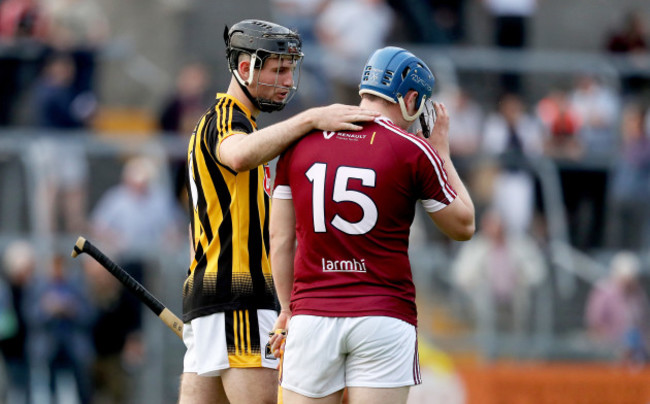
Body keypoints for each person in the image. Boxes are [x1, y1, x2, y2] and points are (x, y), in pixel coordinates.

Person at [179, 19, 380, 404]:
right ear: (244, 69)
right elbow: (237, 155)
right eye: (279, 70)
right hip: (242, 303)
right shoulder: (226, 121)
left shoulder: (246, 128)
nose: (288, 81)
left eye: (290, 70)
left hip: (211, 304)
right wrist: (310, 119)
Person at [269, 46, 475, 404]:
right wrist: (441, 152)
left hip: (311, 314)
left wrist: (286, 309)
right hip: (383, 316)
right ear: (412, 98)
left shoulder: (299, 143)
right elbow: (464, 225)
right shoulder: (414, 150)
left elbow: (281, 238)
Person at [585, 251, 650, 365]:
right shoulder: (604, 293)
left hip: (637, 352)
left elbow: (644, 322)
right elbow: (595, 324)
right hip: (610, 352)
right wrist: (613, 345)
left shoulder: (638, 294)